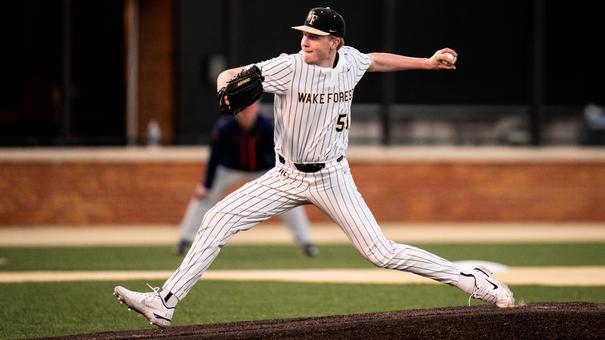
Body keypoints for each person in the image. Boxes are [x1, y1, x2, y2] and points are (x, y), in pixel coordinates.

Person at [114, 7, 515, 327]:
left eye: (313, 36)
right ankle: (165, 302)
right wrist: (224, 87)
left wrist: (427, 63)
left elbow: (376, 60)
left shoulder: (350, 62)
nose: (304, 41)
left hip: (331, 177)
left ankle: (476, 282)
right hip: (285, 176)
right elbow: (231, 74)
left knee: (381, 252)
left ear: (334, 43)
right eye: (303, 34)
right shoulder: (288, 66)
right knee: (218, 219)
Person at [174, 101, 317, 257]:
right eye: (242, 110)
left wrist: (289, 178)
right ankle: (184, 239)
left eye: (249, 109)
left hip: (262, 169)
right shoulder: (224, 127)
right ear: (236, 111)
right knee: (205, 196)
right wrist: (206, 185)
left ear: (256, 109)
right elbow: (214, 157)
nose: (246, 113)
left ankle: (306, 242)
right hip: (229, 168)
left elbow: (284, 153)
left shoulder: (268, 127)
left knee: (289, 199)